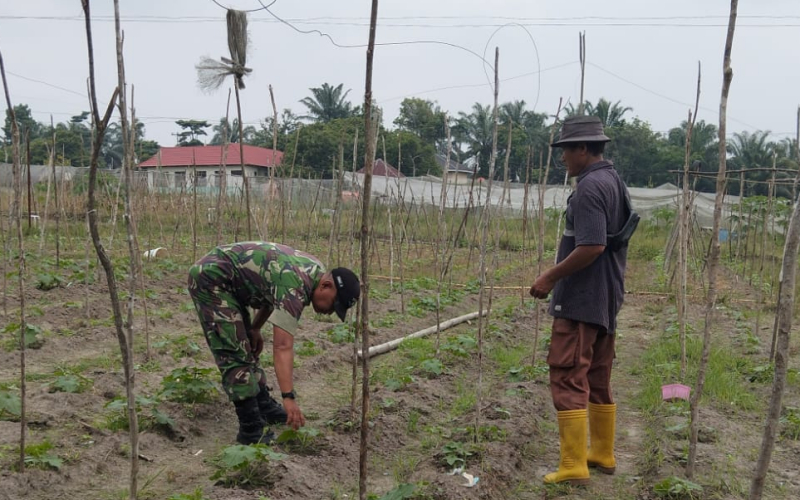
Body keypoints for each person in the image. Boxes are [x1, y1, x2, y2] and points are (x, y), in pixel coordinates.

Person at [529, 116, 629, 485]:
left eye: (566, 151)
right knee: (598, 376)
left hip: (582, 300)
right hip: (607, 296)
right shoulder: (614, 181)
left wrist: (549, 276)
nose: (564, 160)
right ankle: (602, 452)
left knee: (569, 374)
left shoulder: (589, 188)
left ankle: (573, 465)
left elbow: (592, 245)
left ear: (583, 149)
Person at [188, 242, 360, 445]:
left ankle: (263, 406)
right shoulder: (295, 286)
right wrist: (289, 397)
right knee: (233, 351)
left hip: (230, 281)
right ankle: (250, 429)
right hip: (211, 279)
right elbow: (282, 346)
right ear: (326, 286)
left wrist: (255, 328)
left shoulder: (314, 270)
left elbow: (272, 294)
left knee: (246, 346)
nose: (330, 312)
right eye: (334, 304)